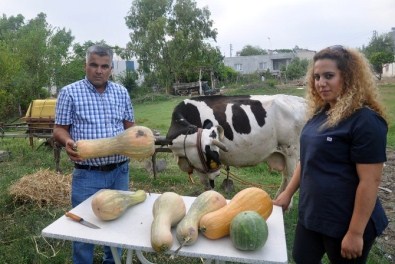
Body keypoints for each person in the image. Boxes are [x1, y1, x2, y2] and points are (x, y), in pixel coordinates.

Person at [274, 45, 388, 264]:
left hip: (346, 220)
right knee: (302, 258)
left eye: (329, 76)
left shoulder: (365, 121)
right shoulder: (320, 114)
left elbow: (370, 181)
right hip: (313, 214)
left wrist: (355, 233)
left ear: (348, 77)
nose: (321, 83)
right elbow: (306, 160)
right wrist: (287, 193)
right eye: (317, 77)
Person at [54, 44, 134, 264]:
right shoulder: (69, 92)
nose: (99, 70)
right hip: (88, 173)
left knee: (117, 223)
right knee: (82, 228)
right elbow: (59, 128)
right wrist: (67, 140)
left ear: (111, 69)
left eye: (104, 66)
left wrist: (139, 141)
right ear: (86, 65)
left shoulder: (121, 92)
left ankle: (113, 261)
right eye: (94, 65)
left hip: (120, 170)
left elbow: (129, 127)